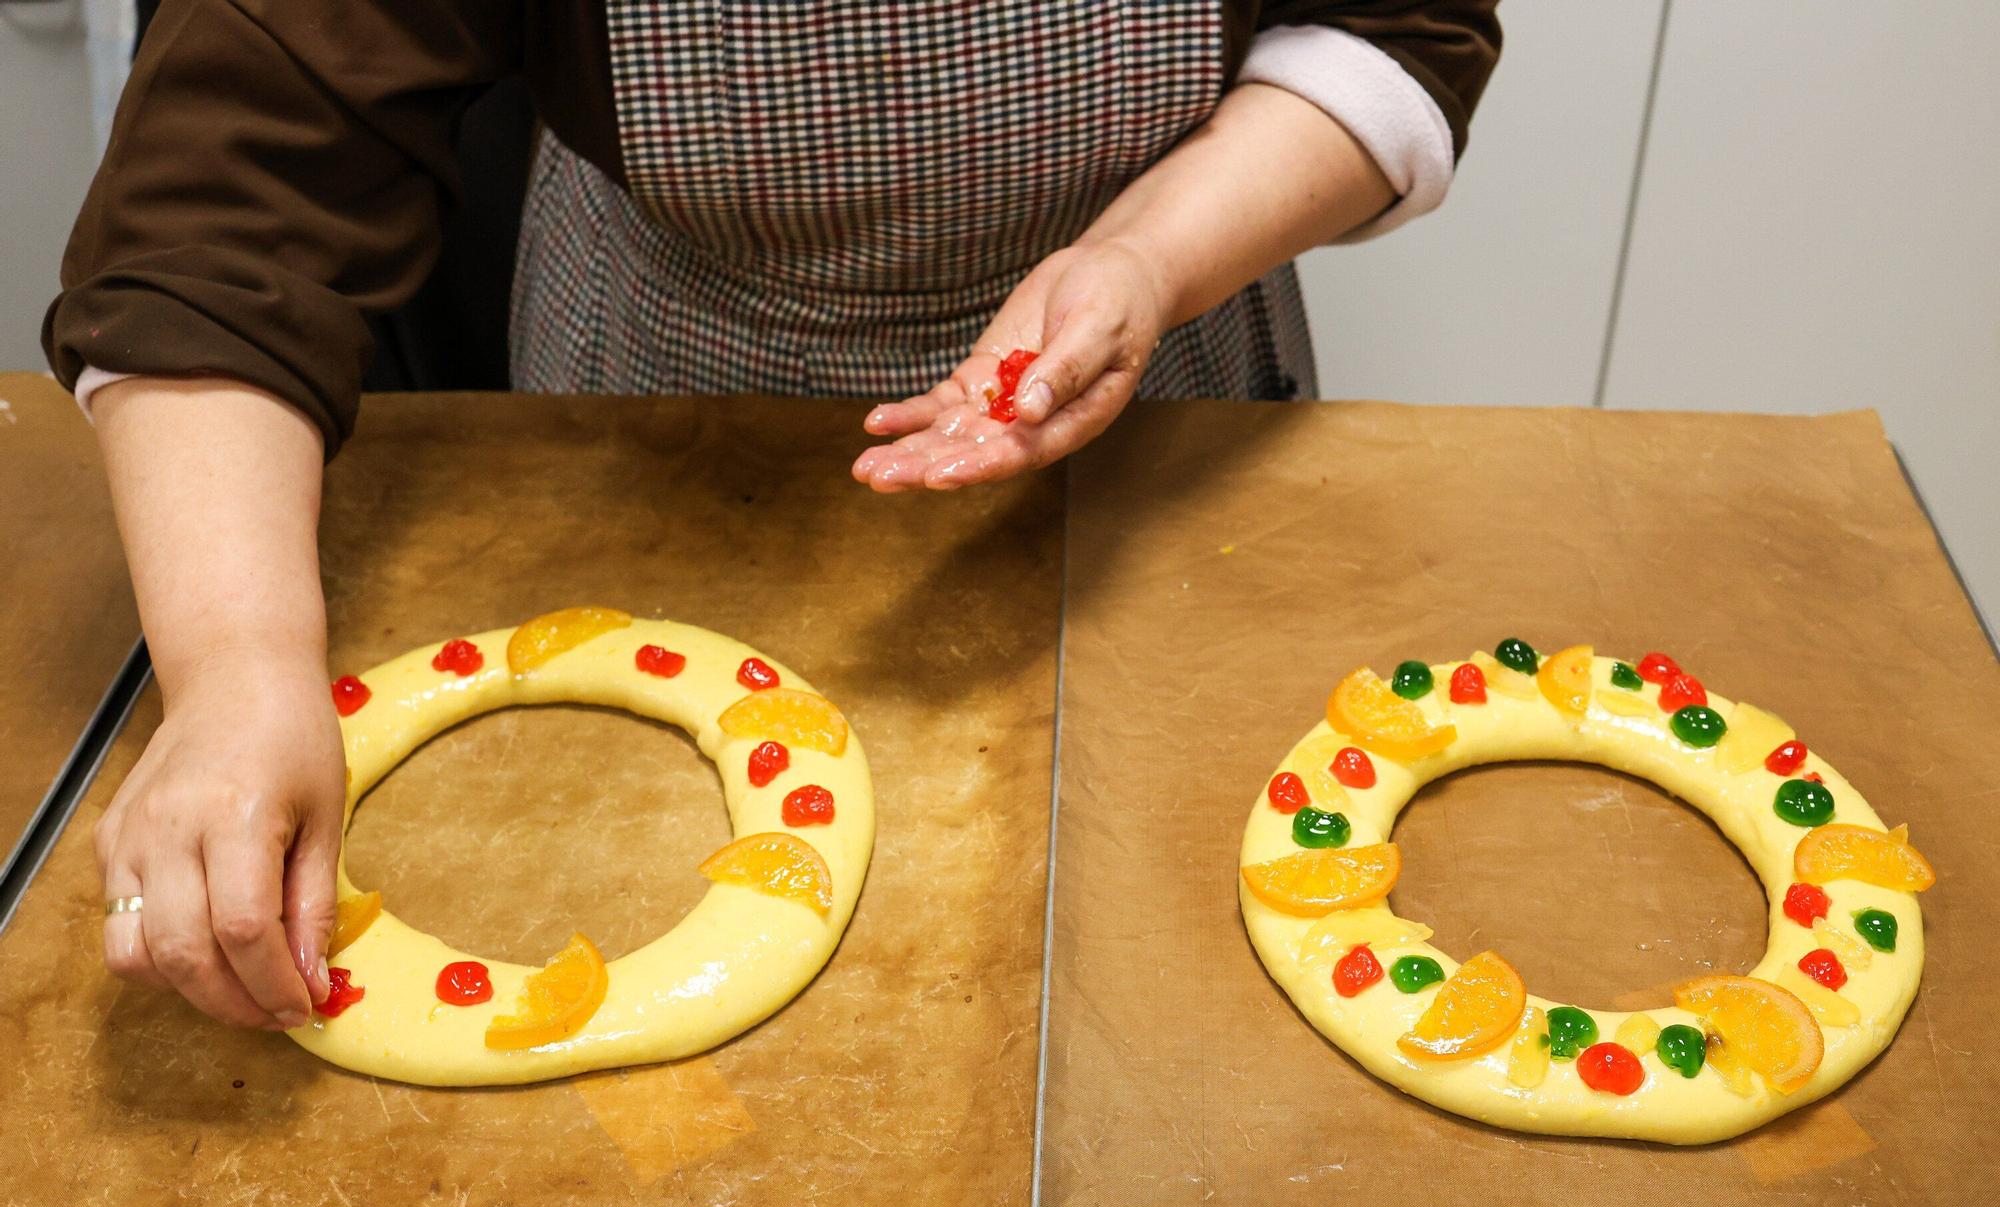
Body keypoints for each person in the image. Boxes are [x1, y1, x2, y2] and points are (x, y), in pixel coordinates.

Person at [44, 1, 1501, 1031]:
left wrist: (1146, 252)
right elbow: (230, 202)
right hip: (645, 382)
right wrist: (235, 665)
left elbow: (1397, 28)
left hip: (1154, 393)